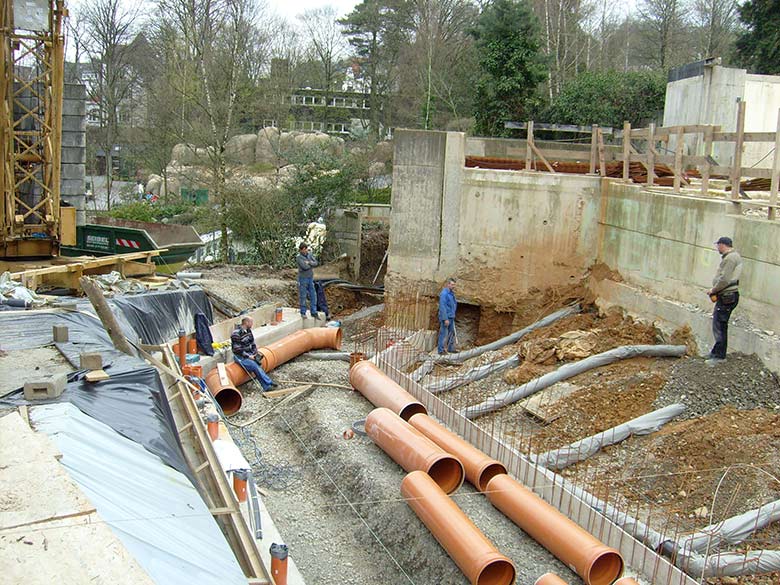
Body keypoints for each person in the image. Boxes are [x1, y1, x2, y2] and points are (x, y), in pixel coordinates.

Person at [706, 236, 743, 364]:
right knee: (720, 324)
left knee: (720, 325)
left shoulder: (730, 258)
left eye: (718, 245)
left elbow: (725, 279)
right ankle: (716, 353)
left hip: (727, 296)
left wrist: (714, 290)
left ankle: (719, 356)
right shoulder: (734, 257)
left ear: (723, 245)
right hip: (728, 295)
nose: (717, 248)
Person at [230, 316, 277, 390]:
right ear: (246, 322)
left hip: (250, 354)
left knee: (258, 364)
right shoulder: (236, 334)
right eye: (251, 322)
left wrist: (255, 353)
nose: (252, 324)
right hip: (240, 357)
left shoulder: (248, 331)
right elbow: (237, 349)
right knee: (254, 366)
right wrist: (249, 356)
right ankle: (268, 382)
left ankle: (266, 387)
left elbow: (252, 343)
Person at [297, 242, 319, 319]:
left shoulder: (309, 255)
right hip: (303, 279)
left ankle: (314, 312)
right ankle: (303, 312)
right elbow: (304, 267)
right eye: (303, 249)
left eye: (306, 249)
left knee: (313, 295)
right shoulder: (299, 258)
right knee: (303, 296)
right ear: (300, 250)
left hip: (310, 278)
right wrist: (311, 264)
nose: (305, 251)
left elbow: (316, 263)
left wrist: (309, 262)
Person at [438, 277, 457, 355]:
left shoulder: (451, 293)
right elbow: (442, 307)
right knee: (443, 333)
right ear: (448, 284)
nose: (453, 286)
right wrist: (445, 318)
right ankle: (441, 350)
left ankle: (450, 348)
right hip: (446, 317)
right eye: (452, 284)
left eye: (454, 285)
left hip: (451, 316)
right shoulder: (444, 294)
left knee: (451, 333)